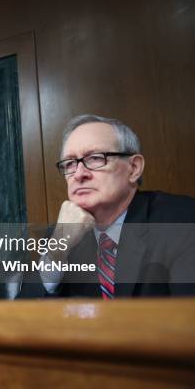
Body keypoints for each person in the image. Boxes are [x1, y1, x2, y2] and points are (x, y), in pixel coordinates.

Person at [21, 114, 195, 298]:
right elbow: (20, 318)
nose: (79, 174)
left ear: (134, 168)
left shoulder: (182, 220)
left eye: (96, 158)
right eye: (70, 163)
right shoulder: (60, 237)